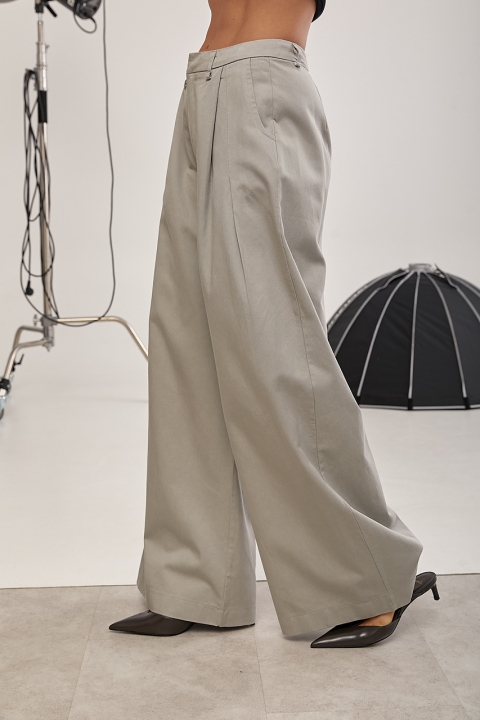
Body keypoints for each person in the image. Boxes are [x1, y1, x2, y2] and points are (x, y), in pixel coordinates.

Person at [109, 0, 439, 648]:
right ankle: (194, 581)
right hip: (201, 84)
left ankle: (370, 578)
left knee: (276, 343)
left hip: (263, 86)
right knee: (185, 342)